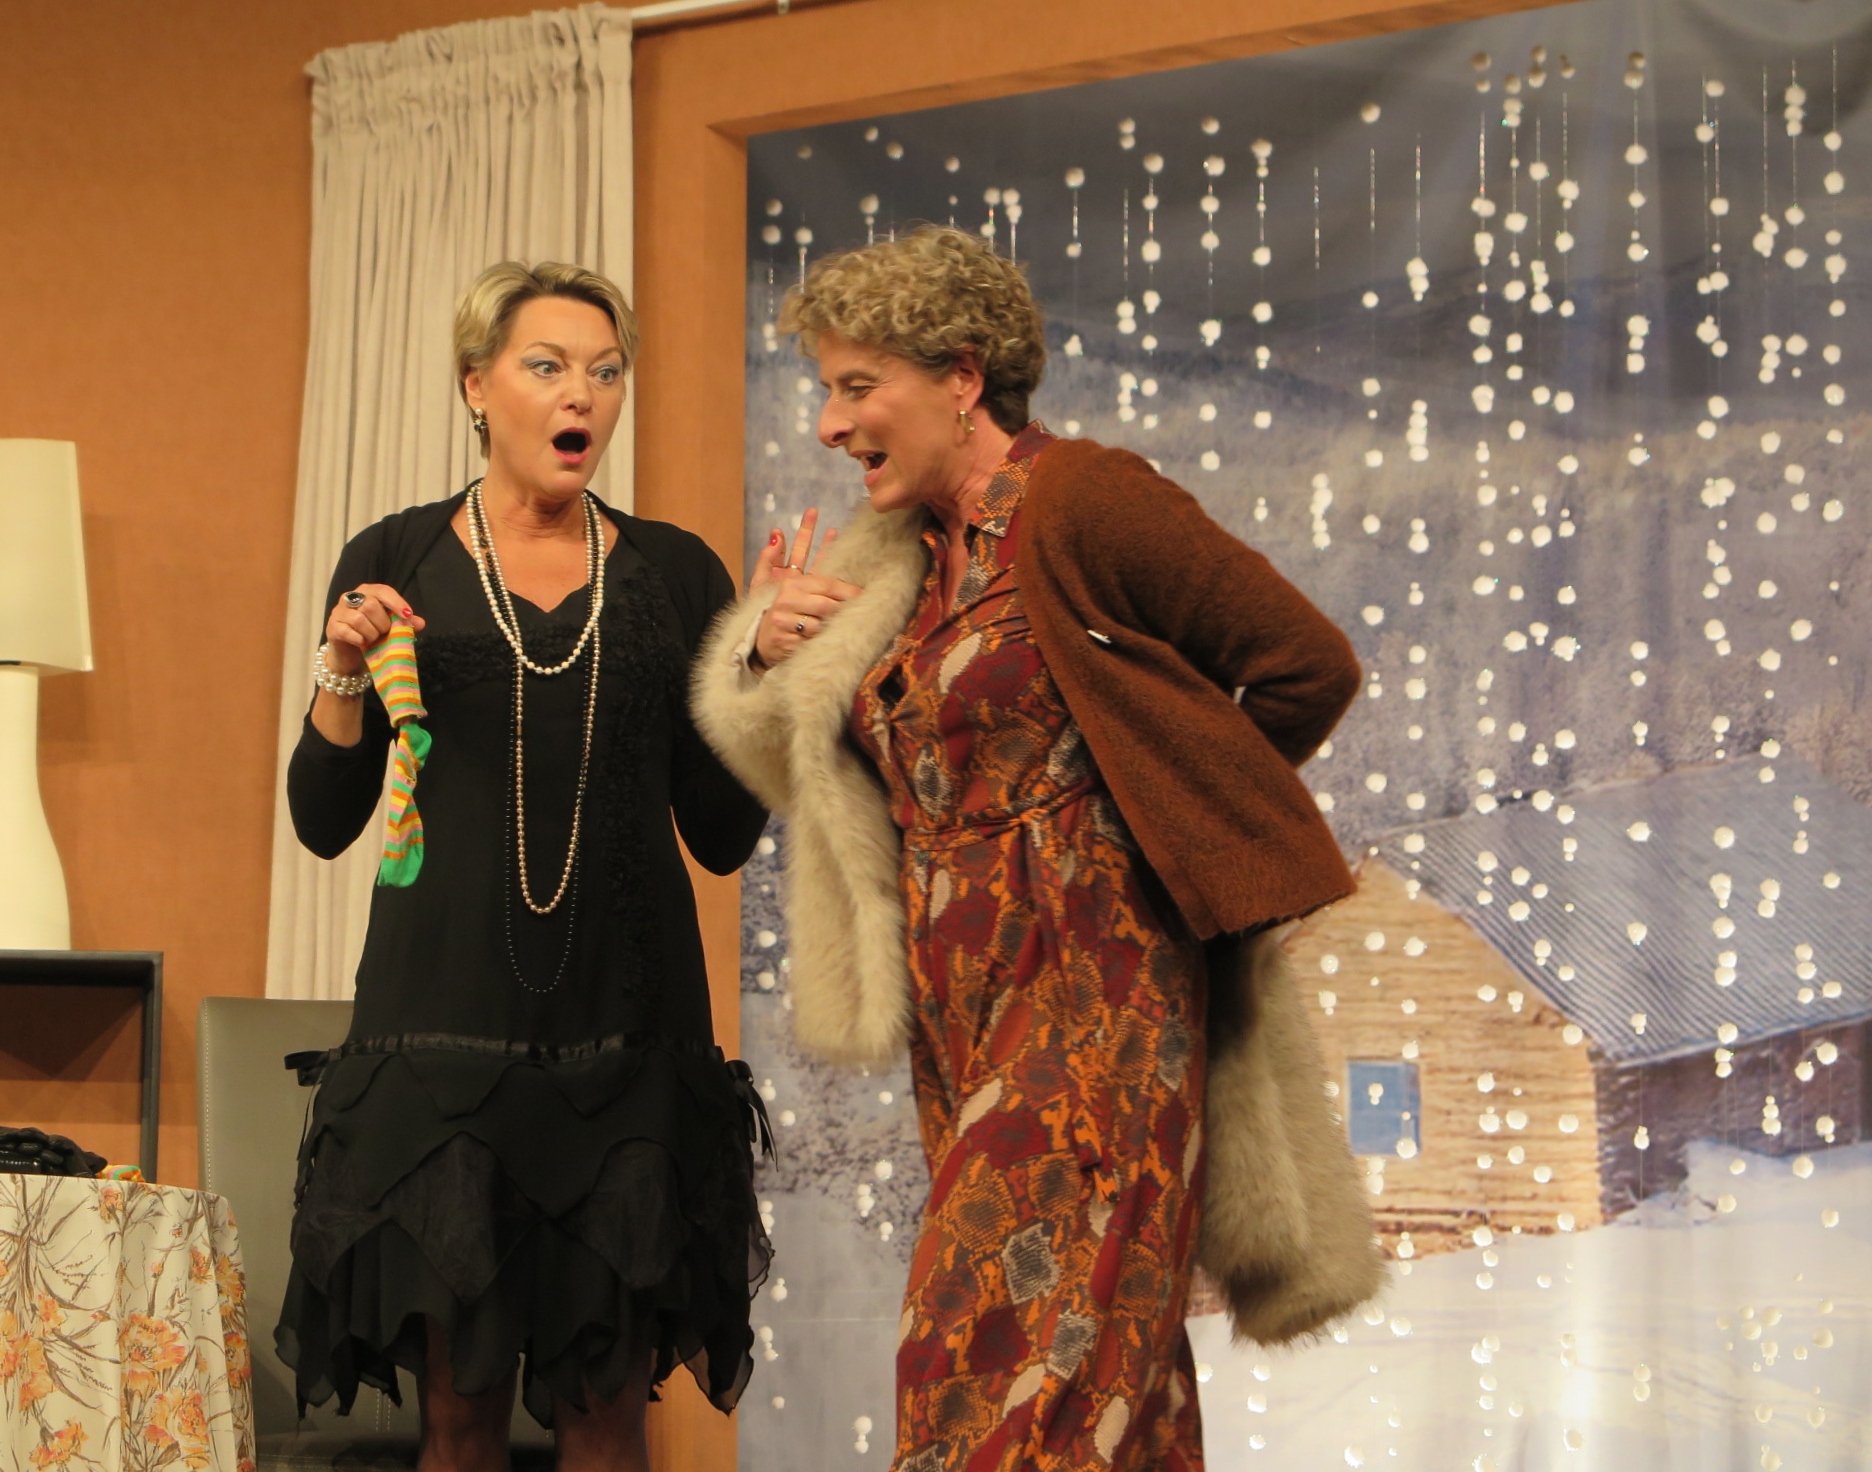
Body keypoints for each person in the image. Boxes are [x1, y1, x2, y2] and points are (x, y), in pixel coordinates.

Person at [692, 226, 1382, 1472]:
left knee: (993, 1355)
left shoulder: (1083, 499)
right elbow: (812, 777)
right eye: (825, 389)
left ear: (961, 376)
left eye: (856, 385)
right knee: (1113, 1363)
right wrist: (766, 652)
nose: (829, 423)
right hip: (960, 1009)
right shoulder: (892, 560)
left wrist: (1167, 815)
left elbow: (1304, 665)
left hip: (1098, 992)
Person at [278, 260, 771, 1472]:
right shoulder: (394, 555)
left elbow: (720, 833)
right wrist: (340, 670)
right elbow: (324, 819)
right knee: (457, 1418)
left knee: (607, 1416)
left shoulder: (676, 573)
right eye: (547, 366)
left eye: (605, 371)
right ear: (475, 386)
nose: (581, 394)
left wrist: (761, 680)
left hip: (629, 1042)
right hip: (443, 1042)